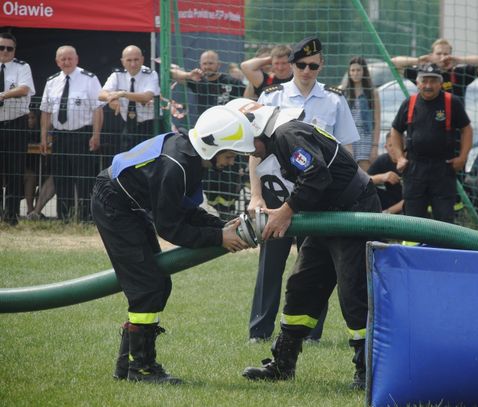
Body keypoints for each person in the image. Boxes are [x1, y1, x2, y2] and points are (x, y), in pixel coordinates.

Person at [217, 99, 380, 388]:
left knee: (353, 292)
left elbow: (317, 174)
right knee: (302, 284)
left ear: (258, 131)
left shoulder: (287, 135)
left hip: (354, 212)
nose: (248, 151)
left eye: (248, 143)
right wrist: (283, 211)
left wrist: (287, 211)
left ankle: (367, 372)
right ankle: (283, 363)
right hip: (327, 215)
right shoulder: (281, 139)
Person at [91, 105, 252, 385]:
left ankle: (127, 367)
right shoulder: (176, 166)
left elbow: (184, 211)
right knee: (147, 286)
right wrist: (218, 238)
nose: (231, 163)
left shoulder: (190, 157)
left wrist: (221, 225)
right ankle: (140, 369)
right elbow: (169, 227)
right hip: (114, 205)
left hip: (129, 206)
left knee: (158, 284)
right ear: (211, 148)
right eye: (229, 155)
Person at [246, 36, 360, 343]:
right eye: (301, 65)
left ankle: (310, 332)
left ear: (321, 65)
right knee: (271, 263)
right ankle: (259, 329)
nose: (307, 71)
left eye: (313, 65)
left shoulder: (335, 100)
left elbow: (347, 152)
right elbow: (254, 154)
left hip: (318, 196)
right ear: (292, 65)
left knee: (316, 265)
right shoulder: (271, 97)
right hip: (276, 192)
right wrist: (256, 196)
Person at [390, 63, 472, 224]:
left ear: (440, 83)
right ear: (418, 83)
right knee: (413, 222)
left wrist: (463, 157)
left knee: (444, 221)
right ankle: (414, 249)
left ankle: (441, 249)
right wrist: (400, 157)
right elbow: (395, 130)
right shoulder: (409, 103)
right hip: (414, 169)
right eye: (424, 81)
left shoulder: (451, 102)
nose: (428, 85)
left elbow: (467, 129)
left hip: (443, 169)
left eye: (433, 81)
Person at [171, 50, 247, 220]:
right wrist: (189, 74)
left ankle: (229, 216)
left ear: (218, 65)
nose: (207, 67)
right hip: (206, 143)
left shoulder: (232, 82)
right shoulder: (199, 82)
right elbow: (171, 72)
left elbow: (249, 96)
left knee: (229, 181)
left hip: (229, 142)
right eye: (204, 63)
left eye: (210, 63)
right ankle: (218, 215)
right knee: (209, 183)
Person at [40, 45, 103, 222]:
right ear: (57, 62)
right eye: (63, 59)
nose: (67, 62)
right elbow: (45, 112)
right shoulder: (52, 81)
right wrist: (43, 137)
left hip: (82, 135)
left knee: (84, 179)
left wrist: (95, 134)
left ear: (77, 59)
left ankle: (85, 218)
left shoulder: (89, 79)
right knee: (61, 178)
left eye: (70, 58)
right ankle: (64, 218)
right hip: (59, 136)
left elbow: (98, 109)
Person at [0, 32, 35, 225]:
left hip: (15, 123)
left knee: (14, 170)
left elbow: (24, 89)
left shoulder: (22, 67)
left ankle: (11, 215)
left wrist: (3, 95)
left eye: (9, 48)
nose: (5, 51)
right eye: (1, 47)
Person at [99, 45, 160, 152]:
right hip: (128, 126)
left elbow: (146, 97)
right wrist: (112, 98)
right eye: (129, 60)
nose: (133, 64)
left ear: (142, 60)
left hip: (149, 126)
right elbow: (101, 94)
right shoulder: (117, 75)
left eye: (136, 60)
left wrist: (123, 94)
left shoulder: (151, 74)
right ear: (123, 61)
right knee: (127, 160)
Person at [392, 38, 478, 100]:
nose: (442, 57)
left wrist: (458, 60)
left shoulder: (460, 73)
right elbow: (393, 63)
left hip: (453, 125)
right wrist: (418, 61)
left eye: (446, 54)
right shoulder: (423, 73)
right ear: (432, 55)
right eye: (439, 54)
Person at [340, 56, 381, 171]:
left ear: (364, 72)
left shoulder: (372, 93)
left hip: (366, 136)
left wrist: (375, 146)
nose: (355, 73)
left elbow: (377, 122)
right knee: (349, 171)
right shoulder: (343, 92)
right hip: (348, 137)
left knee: (364, 174)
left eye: (358, 70)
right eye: (352, 70)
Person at [24, 109, 55, 219]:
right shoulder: (20, 133)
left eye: (33, 118)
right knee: (31, 176)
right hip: (25, 169)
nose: (30, 121)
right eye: (28, 118)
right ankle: (30, 209)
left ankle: (36, 211)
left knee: (48, 178)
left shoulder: (40, 133)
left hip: (41, 167)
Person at [367, 132, 403, 214]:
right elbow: (364, 180)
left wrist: (388, 212)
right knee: (368, 189)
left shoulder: (412, 161)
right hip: (391, 198)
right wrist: (382, 177)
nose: (394, 149)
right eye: (390, 145)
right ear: (386, 147)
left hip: (411, 202)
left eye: (397, 144)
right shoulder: (383, 160)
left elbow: (413, 195)